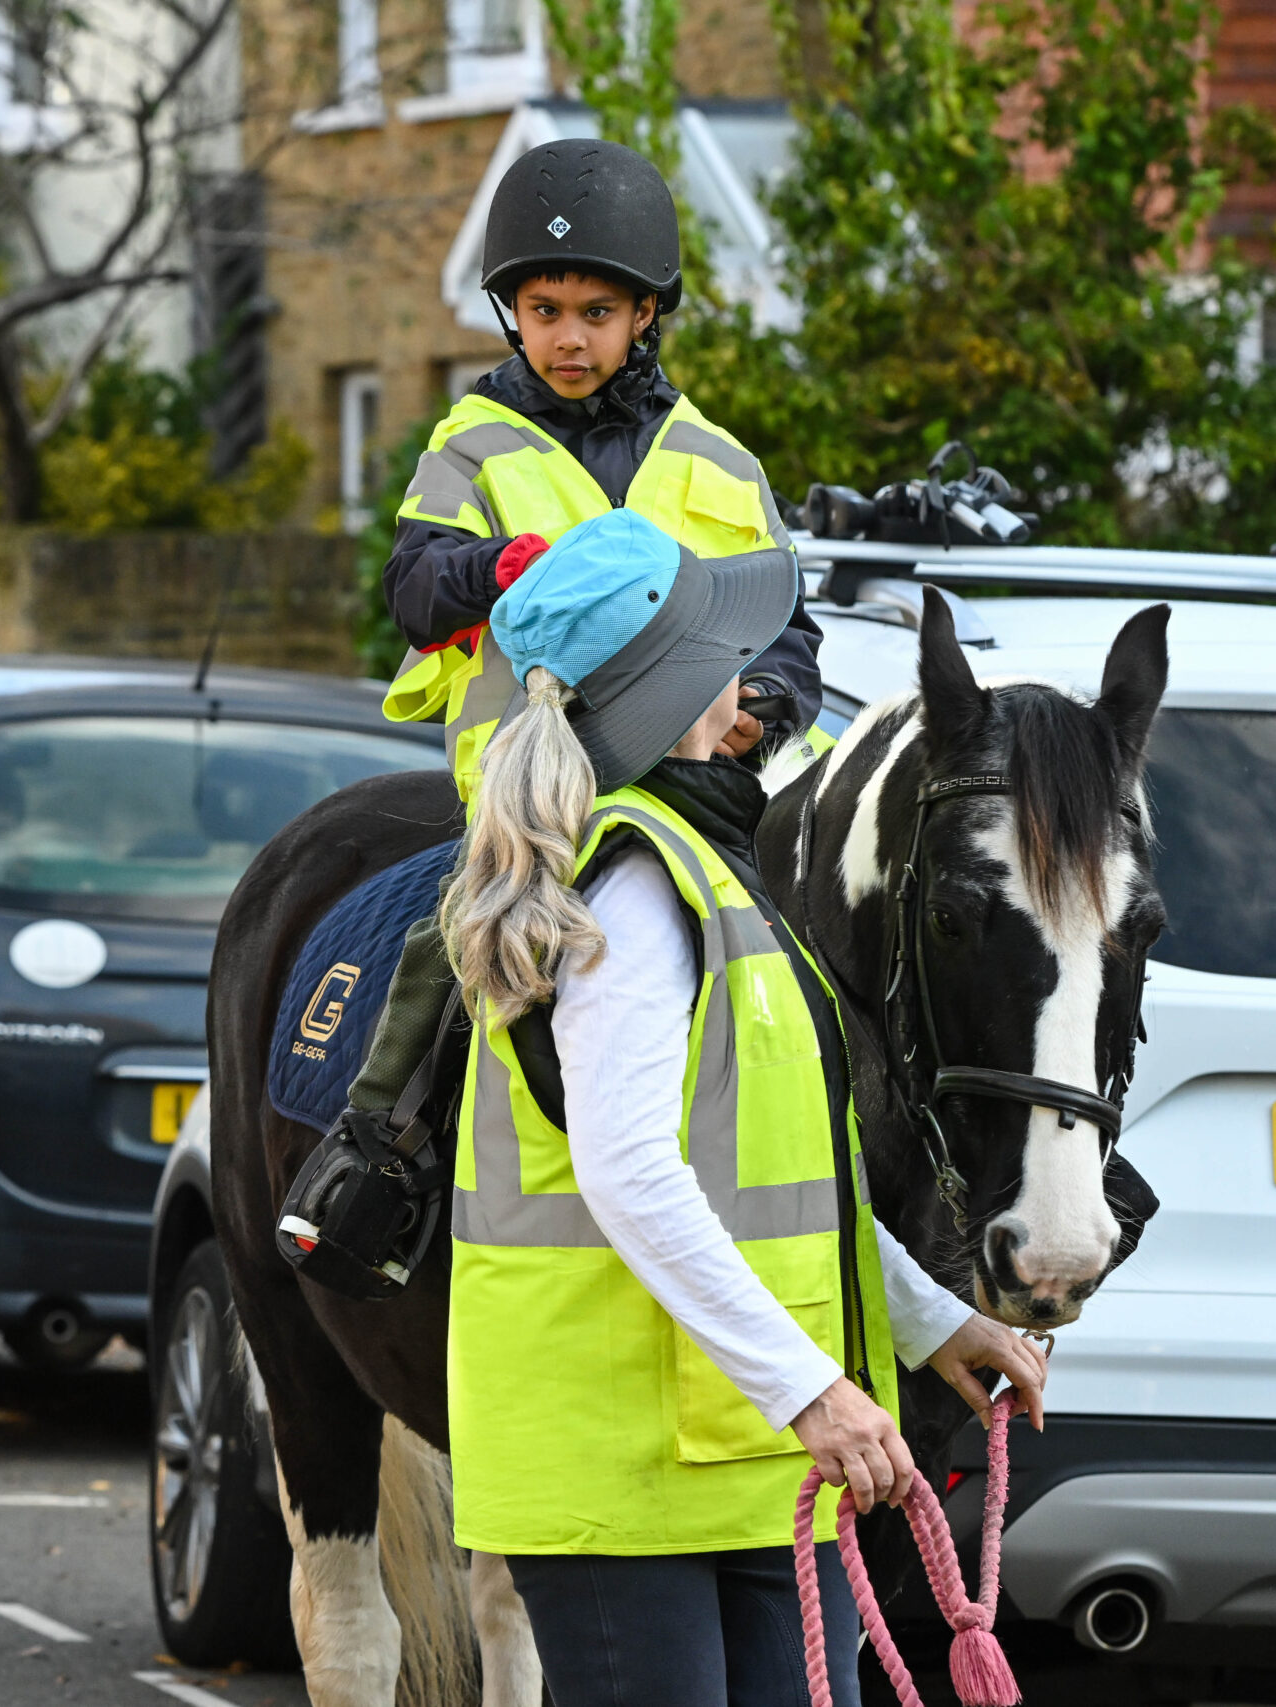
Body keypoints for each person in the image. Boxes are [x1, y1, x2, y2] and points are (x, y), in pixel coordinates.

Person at [438, 511, 1047, 1706]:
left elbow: (772, 1173)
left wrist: (925, 1319)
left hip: (738, 1451)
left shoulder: (707, 870)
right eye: (723, 658)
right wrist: (812, 1390)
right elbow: (627, 1172)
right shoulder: (644, 886)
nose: (753, 682)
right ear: (674, 694)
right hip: (630, 1471)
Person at [350, 135, 828, 1112]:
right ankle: (371, 1155)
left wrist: (766, 708)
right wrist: (489, 568)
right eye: (544, 313)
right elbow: (410, 587)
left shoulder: (722, 462)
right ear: (510, 314)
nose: (568, 339)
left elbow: (785, 631)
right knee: (448, 970)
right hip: (528, 809)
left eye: (597, 314)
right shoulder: (471, 442)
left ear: (645, 313)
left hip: (696, 797)